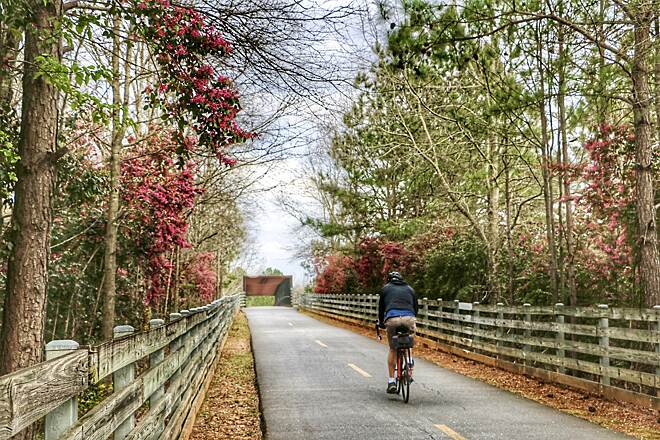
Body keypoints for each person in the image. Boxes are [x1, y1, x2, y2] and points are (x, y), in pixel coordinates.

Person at [377, 271, 418, 394]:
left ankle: (391, 382)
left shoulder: (385, 289)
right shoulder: (410, 289)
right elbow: (416, 308)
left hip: (392, 319)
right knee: (409, 344)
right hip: (409, 318)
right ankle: (409, 364)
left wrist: (381, 322)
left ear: (389, 280)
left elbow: (381, 309)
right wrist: (411, 319)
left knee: (393, 349)